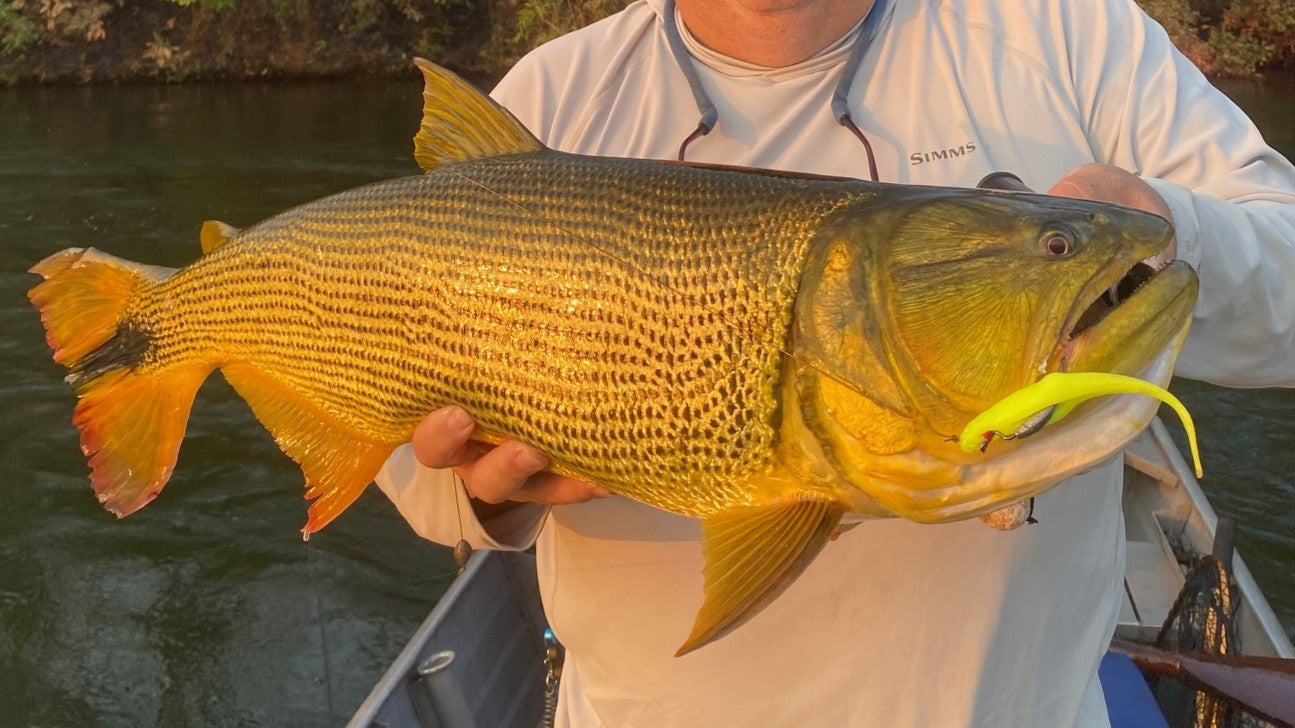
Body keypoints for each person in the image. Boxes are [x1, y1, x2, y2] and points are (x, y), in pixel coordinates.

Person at [376, 0, 1295, 724]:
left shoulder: (1066, 32)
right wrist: (483, 490)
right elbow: (409, 460)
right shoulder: (553, 94)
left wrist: (1163, 234)